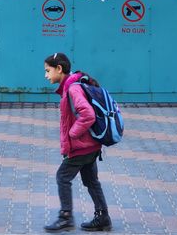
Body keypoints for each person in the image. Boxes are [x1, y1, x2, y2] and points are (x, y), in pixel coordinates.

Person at [43, 52, 112, 233]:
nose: (46, 75)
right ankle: (103, 217)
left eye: (48, 71)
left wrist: (73, 134)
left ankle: (65, 217)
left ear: (59, 69)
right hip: (91, 146)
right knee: (91, 181)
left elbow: (87, 114)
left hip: (81, 147)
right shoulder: (72, 85)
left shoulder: (73, 88)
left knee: (62, 177)